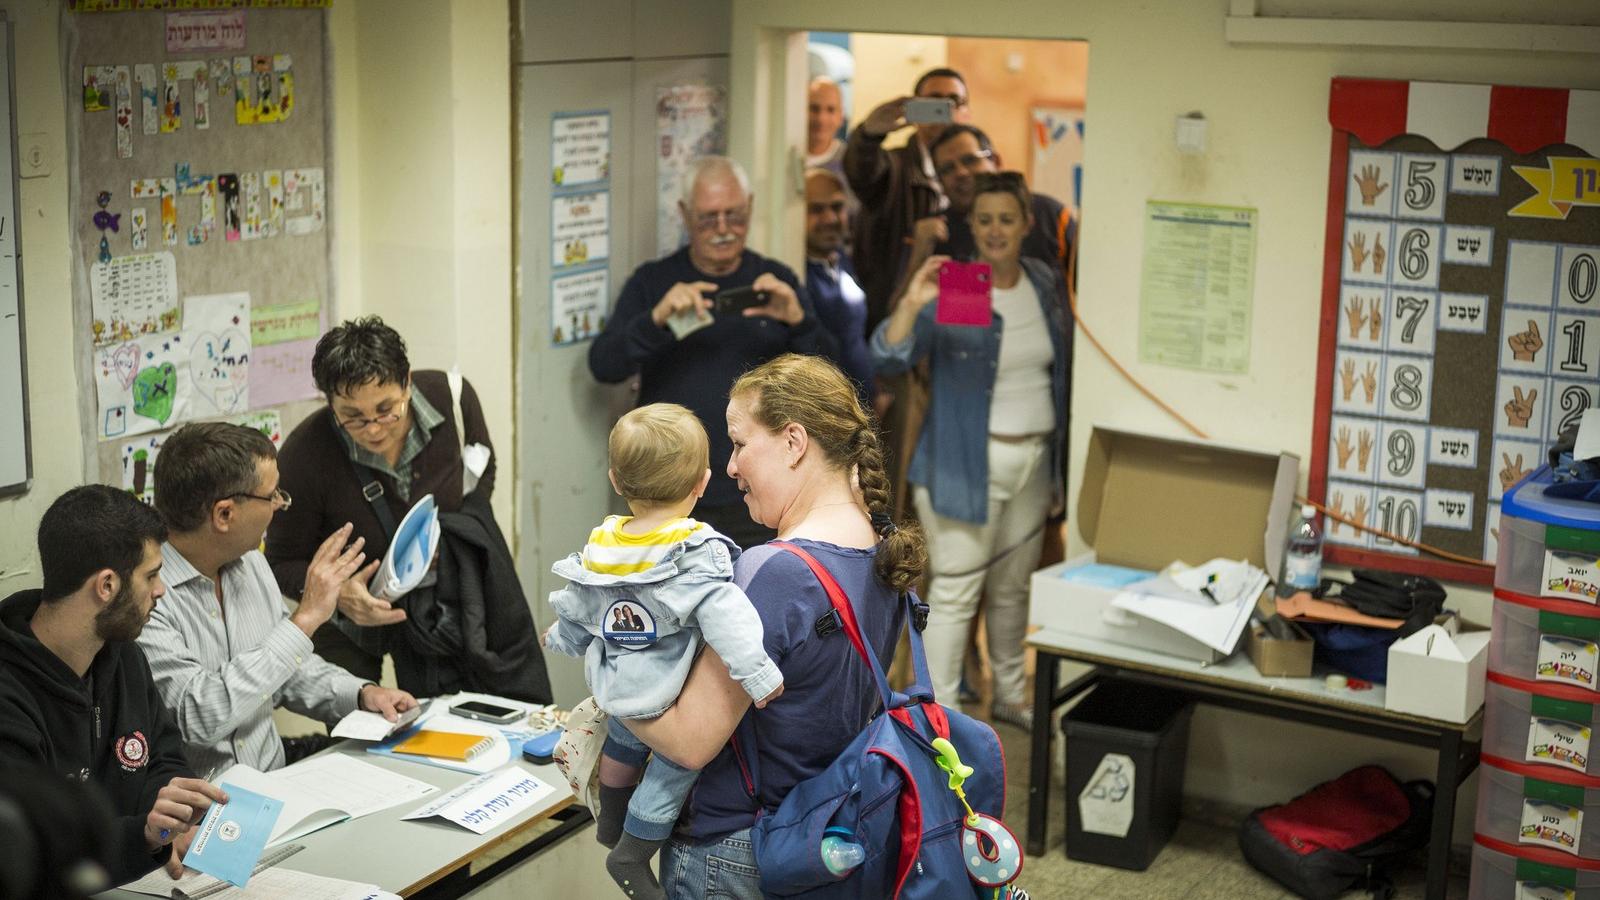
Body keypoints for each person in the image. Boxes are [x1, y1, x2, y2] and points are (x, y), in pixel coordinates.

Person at [605, 354, 924, 898]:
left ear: (794, 442)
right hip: (820, 836)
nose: (730, 467)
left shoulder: (775, 572)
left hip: (735, 850)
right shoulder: (879, 550)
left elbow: (688, 743)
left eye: (739, 443)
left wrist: (606, 683)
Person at [545, 403, 784, 900]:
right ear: (702, 482)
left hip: (614, 686)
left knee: (624, 746)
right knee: (676, 770)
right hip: (664, 695)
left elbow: (579, 603)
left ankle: (609, 820)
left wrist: (563, 638)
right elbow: (728, 617)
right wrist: (758, 674)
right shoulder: (696, 551)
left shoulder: (605, 542)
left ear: (615, 479)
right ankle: (629, 852)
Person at [871, 172, 1072, 730]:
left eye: (1006, 219)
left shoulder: (1043, 281)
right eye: (984, 220)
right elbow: (891, 356)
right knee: (958, 591)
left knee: (1011, 587)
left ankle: (1011, 695)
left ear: (1027, 224)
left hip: (1034, 463)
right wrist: (913, 301)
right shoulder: (965, 285)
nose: (994, 230)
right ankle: (943, 718)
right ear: (971, 225)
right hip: (963, 465)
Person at [268, 317, 547, 703]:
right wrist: (338, 596)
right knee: (358, 724)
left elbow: (483, 469)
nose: (374, 430)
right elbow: (279, 562)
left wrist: (456, 537)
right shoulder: (303, 456)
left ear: (408, 382)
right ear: (330, 404)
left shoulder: (453, 399)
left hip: (445, 602)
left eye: (387, 410)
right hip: (350, 620)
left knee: (466, 710)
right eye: (353, 417)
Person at [138, 423, 417, 775]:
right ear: (224, 514)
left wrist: (359, 694)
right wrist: (305, 618)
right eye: (271, 495)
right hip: (201, 815)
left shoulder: (250, 561)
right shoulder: (147, 594)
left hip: (276, 785)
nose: (281, 504)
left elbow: (285, 670)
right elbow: (199, 716)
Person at [588, 156, 838, 549]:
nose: (723, 229)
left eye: (734, 216)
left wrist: (798, 320)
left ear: (750, 207)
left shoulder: (775, 280)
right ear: (685, 214)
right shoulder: (653, 282)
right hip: (670, 490)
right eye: (708, 218)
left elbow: (832, 379)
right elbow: (604, 365)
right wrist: (656, 321)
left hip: (760, 490)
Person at [0, 485, 228, 882]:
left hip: (138, 879)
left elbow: (163, 756)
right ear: (106, 586)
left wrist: (171, 816)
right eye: (152, 575)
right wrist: (143, 835)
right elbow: (31, 849)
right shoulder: (9, 694)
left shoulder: (122, 653)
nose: (160, 591)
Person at [844, 67, 972, 334]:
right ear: (915, 110)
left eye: (954, 101)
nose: (945, 109)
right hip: (895, 317)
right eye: (934, 101)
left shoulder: (973, 174)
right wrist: (869, 136)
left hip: (961, 313)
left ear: (966, 111)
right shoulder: (892, 168)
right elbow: (861, 172)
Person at [907, 123, 1077, 281]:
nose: (961, 173)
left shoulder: (1049, 214)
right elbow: (901, 310)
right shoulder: (933, 235)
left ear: (995, 161)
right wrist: (918, 256)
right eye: (947, 169)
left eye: (970, 160)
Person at [803, 167, 873, 410]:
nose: (830, 219)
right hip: (824, 413)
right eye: (816, 210)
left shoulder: (843, 260)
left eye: (837, 207)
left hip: (862, 411)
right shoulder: (796, 274)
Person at [805, 76, 847, 177]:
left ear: (840, 117)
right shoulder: (782, 157)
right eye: (814, 109)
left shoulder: (850, 163)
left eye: (831, 110)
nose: (821, 119)